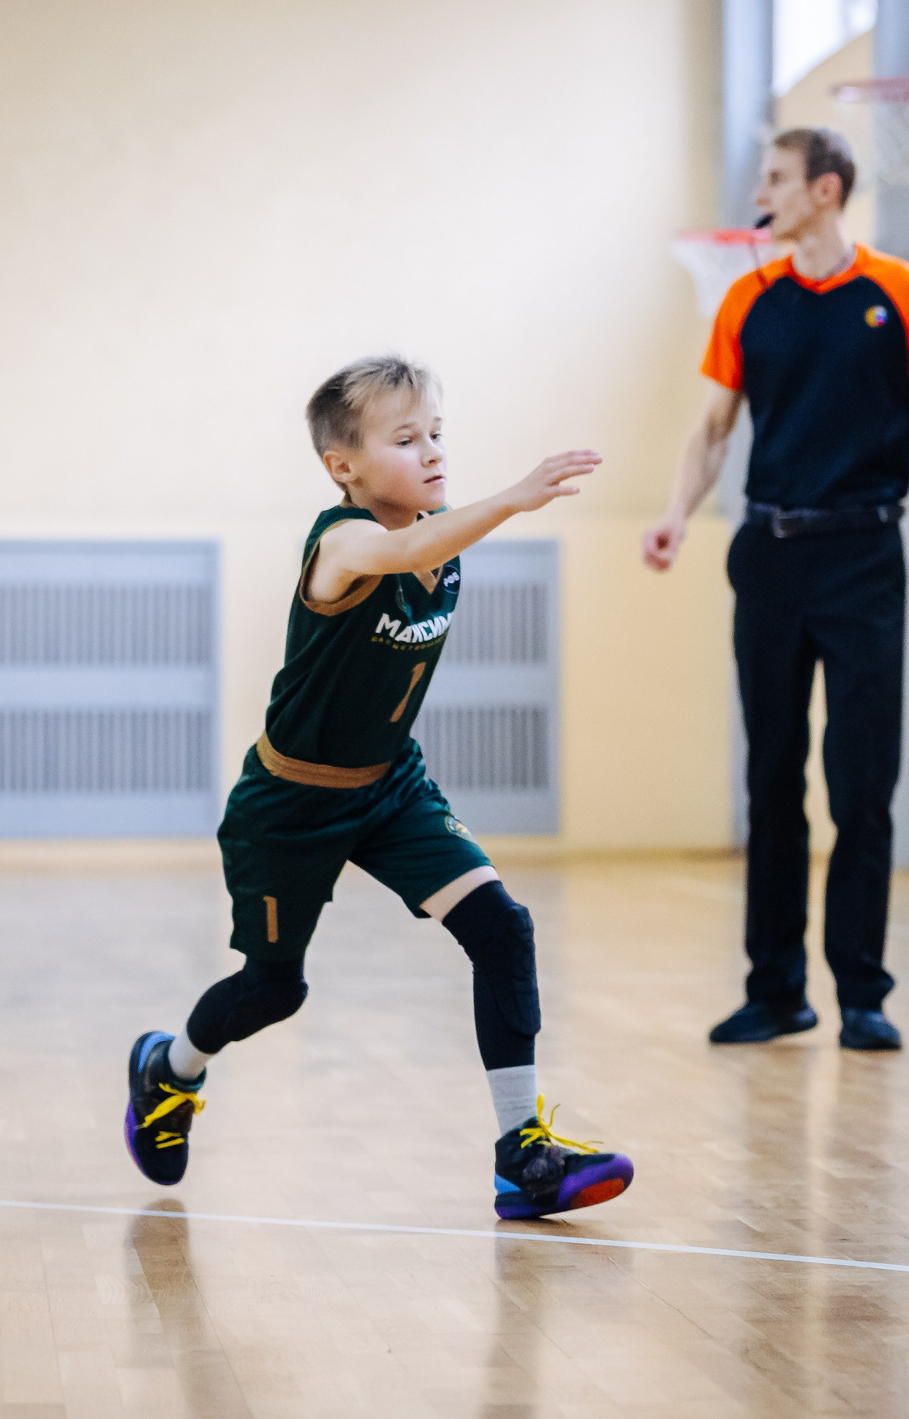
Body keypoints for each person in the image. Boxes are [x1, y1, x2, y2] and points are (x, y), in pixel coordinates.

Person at [124, 356, 636, 1222]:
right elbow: (401, 549)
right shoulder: (344, 541)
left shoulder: (442, 539)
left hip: (391, 787)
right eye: (406, 439)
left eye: (438, 433)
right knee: (274, 990)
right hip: (289, 805)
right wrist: (515, 496)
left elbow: (426, 547)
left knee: (502, 929)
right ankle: (167, 1069)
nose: (433, 452)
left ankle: (524, 1156)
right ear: (343, 466)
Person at [644, 129, 909, 1052]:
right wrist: (674, 511)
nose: (762, 192)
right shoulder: (747, 298)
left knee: (864, 783)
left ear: (826, 190)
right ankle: (776, 989)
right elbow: (711, 429)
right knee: (772, 778)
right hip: (770, 555)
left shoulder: (907, 294)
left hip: (867, 558)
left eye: (776, 178)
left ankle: (863, 991)